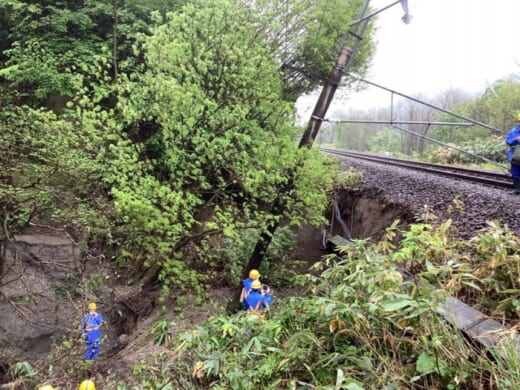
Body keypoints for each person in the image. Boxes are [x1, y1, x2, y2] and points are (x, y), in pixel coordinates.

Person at [505, 113, 520, 195]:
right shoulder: (513, 131)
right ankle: (517, 189)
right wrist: (516, 139)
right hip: (514, 155)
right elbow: (508, 141)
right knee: (515, 172)